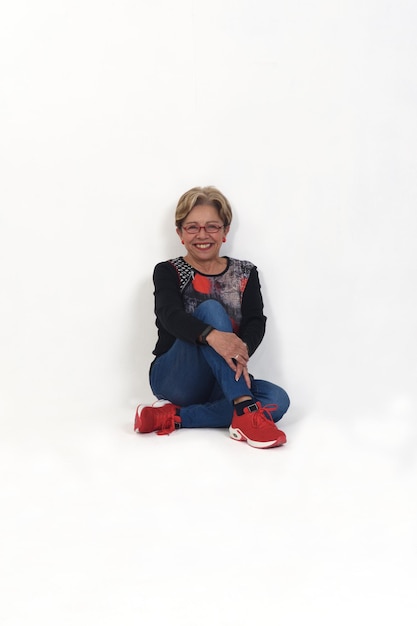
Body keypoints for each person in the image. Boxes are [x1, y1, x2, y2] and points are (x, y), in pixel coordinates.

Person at [134, 186, 290, 449]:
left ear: (225, 231)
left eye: (212, 227)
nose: (202, 235)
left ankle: (170, 416)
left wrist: (239, 353)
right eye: (192, 227)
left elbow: (255, 321)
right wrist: (213, 336)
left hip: (223, 379)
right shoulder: (168, 270)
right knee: (210, 310)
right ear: (180, 234)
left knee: (277, 399)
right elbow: (169, 316)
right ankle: (243, 409)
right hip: (175, 378)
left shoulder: (245, 272)